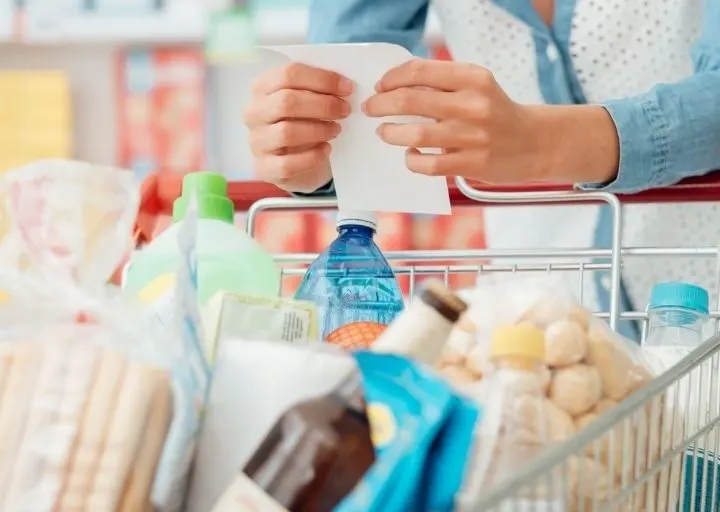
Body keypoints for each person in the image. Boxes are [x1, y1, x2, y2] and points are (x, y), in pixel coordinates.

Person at [243, 0, 720, 338]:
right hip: (537, 320)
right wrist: (311, 152)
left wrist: (540, 141)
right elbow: (348, 95)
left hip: (704, 302)